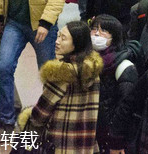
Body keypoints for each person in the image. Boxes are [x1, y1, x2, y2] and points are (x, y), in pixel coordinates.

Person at [18, 20, 103, 151]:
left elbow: (40, 114)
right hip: (85, 143)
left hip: (59, 144)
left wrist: (27, 119)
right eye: (58, 36)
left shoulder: (61, 75)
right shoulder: (93, 72)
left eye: (64, 39)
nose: (57, 41)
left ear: (76, 43)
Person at [90, 13, 142, 152]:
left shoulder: (124, 66)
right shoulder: (84, 62)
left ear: (115, 37)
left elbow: (127, 107)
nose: (97, 34)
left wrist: (116, 139)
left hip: (112, 135)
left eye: (104, 31)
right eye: (94, 29)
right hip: (89, 131)